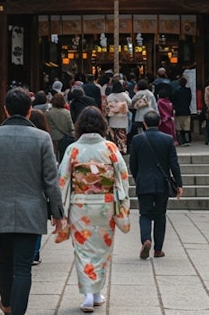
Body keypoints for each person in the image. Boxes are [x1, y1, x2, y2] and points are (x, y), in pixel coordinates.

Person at [0, 88, 67, 315]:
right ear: (29, 110)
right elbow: (50, 180)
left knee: (4, 261)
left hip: (0, 208)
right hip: (31, 209)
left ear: (5, 109)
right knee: (23, 267)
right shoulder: (42, 138)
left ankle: (6, 303)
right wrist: (58, 213)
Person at [56, 106, 131, 313]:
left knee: (83, 249)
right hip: (105, 205)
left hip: (80, 204)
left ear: (80, 126)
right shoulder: (110, 148)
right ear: (102, 125)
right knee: (102, 249)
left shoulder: (73, 149)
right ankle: (96, 293)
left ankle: (89, 295)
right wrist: (122, 200)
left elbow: (62, 179)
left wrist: (60, 207)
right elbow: (122, 177)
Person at [128, 110, 183, 260]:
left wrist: (138, 177)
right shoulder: (167, 139)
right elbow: (174, 164)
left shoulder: (137, 139)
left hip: (144, 181)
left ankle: (146, 239)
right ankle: (158, 249)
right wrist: (179, 184)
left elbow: (133, 164)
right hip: (162, 183)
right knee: (160, 215)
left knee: (145, 214)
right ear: (159, 122)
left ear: (144, 123)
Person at [28, 108, 51, 266]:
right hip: (38, 186)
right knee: (36, 220)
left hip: (22, 182)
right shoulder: (44, 138)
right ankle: (34, 253)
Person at [46, 92, 76, 163]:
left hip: (52, 138)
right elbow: (71, 127)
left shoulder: (48, 113)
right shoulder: (66, 113)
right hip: (64, 138)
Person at [105, 79, 132, 154]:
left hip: (113, 117)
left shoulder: (110, 96)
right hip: (122, 117)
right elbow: (130, 103)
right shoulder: (124, 95)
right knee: (122, 134)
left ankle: (114, 150)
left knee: (114, 135)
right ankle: (123, 149)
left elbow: (106, 105)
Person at [171, 76, 193, 146]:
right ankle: (187, 139)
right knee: (186, 126)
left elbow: (173, 100)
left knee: (179, 127)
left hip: (178, 111)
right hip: (186, 110)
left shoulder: (176, 91)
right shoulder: (188, 90)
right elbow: (189, 100)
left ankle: (181, 140)